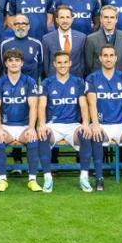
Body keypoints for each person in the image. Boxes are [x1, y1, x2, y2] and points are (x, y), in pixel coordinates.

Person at [36, 50, 90, 193]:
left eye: (65, 62)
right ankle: (48, 177)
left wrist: (85, 124)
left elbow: (84, 105)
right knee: (43, 135)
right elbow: (41, 105)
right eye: (59, 63)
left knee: (85, 134)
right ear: (54, 64)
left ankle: (84, 176)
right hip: (53, 125)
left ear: (70, 63)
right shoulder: (47, 82)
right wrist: (41, 125)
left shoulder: (78, 82)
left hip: (73, 125)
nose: (62, 65)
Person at [84, 43, 122, 192]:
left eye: (111, 55)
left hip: (120, 124)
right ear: (100, 58)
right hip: (102, 124)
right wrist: (96, 124)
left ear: (116, 58)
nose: (108, 58)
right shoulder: (92, 78)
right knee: (97, 135)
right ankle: (99, 178)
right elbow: (91, 103)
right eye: (105, 55)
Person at [0, 49, 40, 192]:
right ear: (6, 63)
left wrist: (31, 128)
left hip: (24, 126)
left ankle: (32, 179)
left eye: (17, 60)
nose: (14, 63)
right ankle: (2, 179)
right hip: (6, 126)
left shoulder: (29, 82)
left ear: (22, 63)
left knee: (33, 138)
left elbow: (33, 106)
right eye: (10, 60)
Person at [84, 5, 122, 76]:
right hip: (98, 81)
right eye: (106, 17)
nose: (109, 20)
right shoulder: (91, 39)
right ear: (101, 19)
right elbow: (89, 65)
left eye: (112, 17)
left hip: (121, 81)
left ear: (116, 19)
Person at [41, 4, 88, 79]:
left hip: (76, 81)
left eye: (67, 17)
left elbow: (83, 63)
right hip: (54, 81)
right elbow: (46, 65)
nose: (65, 21)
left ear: (72, 19)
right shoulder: (47, 39)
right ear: (57, 20)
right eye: (62, 17)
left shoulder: (82, 37)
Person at [0, 14, 44, 79]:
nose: (20, 26)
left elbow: (40, 67)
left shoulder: (37, 44)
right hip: (11, 87)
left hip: (31, 86)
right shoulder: (5, 44)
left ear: (28, 26)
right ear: (13, 26)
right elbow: (3, 66)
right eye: (17, 23)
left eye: (23, 23)